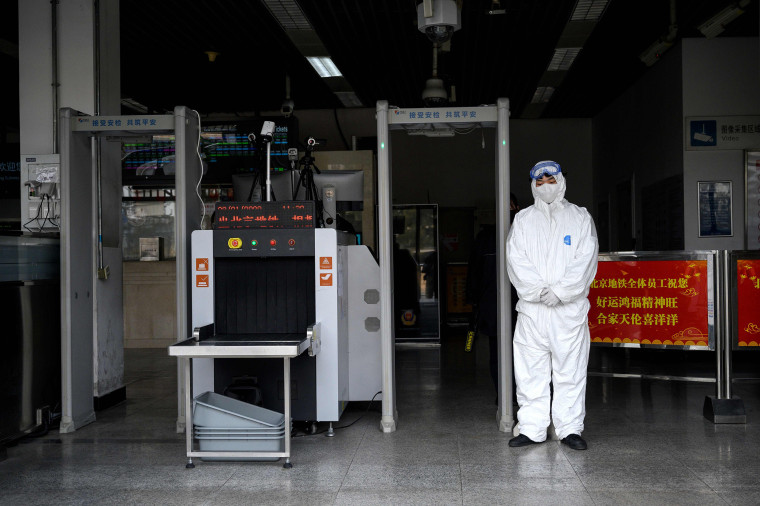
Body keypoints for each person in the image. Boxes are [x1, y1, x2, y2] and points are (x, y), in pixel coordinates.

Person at [506, 160, 598, 451]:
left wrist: (561, 292)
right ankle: (532, 428)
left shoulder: (580, 218)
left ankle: (569, 428)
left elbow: (586, 259)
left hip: (568, 311)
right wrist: (537, 291)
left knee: (570, 371)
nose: (546, 186)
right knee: (530, 371)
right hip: (533, 312)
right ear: (533, 185)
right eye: (540, 181)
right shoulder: (523, 220)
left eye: (551, 180)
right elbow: (515, 259)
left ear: (561, 181)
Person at [466, 194, 520, 404]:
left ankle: (521, 395)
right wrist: (474, 304)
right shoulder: (485, 238)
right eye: (502, 206)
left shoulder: (528, 233)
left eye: (509, 205)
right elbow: (474, 273)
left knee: (526, 354)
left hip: (524, 306)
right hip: (493, 307)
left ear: (516, 207)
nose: (506, 210)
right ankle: (505, 394)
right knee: (499, 354)